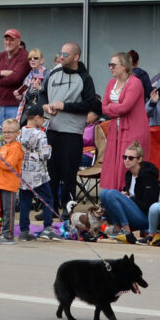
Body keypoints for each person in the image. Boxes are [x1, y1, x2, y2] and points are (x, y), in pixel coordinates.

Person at [43, 42, 99, 211]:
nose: (61, 56)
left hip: (72, 132)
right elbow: (41, 95)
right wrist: (44, 106)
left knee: (68, 173)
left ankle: (68, 209)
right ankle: (50, 208)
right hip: (51, 129)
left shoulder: (85, 78)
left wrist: (65, 106)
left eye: (65, 54)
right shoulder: (53, 73)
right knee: (50, 172)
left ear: (76, 57)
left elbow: (92, 105)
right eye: (61, 52)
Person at [101, 52, 151, 194]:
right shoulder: (111, 83)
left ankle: (126, 195)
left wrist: (111, 107)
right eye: (109, 64)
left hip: (133, 130)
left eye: (113, 65)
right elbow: (103, 106)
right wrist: (112, 108)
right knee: (112, 164)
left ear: (124, 66)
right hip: (115, 130)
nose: (110, 67)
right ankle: (112, 196)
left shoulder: (135, 83)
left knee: (127, 163)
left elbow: (125, 107)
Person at [97, 140, 159, 243]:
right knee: (104, 193)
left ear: (139, 159)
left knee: (112, 193)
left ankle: (126, 231)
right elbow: (130, 194)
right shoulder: (129, 174)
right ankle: (117, 228)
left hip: (145, 217)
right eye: (124, 157)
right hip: (133, 212)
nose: (126, 160)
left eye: (130, 158)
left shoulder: (148, 176)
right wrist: (125, 195)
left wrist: (131, 199)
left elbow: (150, 205)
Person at [0, 118, 25, 245]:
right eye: (4, 132)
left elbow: (9, 165)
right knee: (4, 211)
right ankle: (5, 233)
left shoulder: (15, 148)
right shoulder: (4, 147)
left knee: (9, 211)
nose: (7, 134)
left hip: (10, 184)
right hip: (1, 183)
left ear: (17, 133)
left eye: (10, 132)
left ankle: (8, 236)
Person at [16, 106, 53, 240]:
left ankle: (24, 230)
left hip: (24, 173)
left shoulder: (19, 133)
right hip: (38, 174)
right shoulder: (40, 134)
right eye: (43, 118)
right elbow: (44, 155)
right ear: (37, 117)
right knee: (47, 199)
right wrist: (49, 149)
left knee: (25, 202)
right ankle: (48, 227)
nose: (43, 121)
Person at [0, 28, 30, 120]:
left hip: (15, 105)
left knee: (13, 133)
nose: (8, 42)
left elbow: (15, 78)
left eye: (12, 40)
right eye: (6, 40)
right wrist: (2, 72)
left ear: (19, 42)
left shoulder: (24, 56)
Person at [15, 48, 47, 115]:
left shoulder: (48, 74)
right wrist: (20, 97)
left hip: (42, 111)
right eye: (30, 58)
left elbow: (52, 93)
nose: (32, 60)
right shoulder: (28, 77)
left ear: (42, 60)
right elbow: (27, 97)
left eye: (35, 58)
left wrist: (40, 88)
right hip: (29, 112)